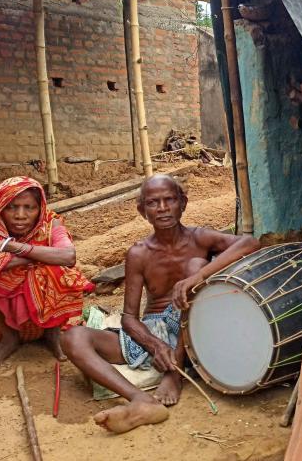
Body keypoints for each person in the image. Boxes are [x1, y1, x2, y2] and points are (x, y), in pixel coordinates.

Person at [61, 174, 260, 433]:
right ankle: (140, 400)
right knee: (73, 337)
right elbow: (129, 318)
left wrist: (199, 275)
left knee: (196, 265)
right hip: (153, 331)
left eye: (170, 200)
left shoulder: (200, 239)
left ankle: (173, 374)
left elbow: (251, 243)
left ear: (183, 203)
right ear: (142, 211)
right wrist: (155, 346)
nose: (163, 208)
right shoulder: (139, 253)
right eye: (154, 203)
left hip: (197, 331)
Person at [0, 176, 92, 370]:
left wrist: (8, 246)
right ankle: (9, 339)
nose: (20, 215)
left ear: (40, 209)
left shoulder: (51, 224)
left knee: (60, 271)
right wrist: (42, 254)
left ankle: (52, 334)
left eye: (29, 207)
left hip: (43, 321)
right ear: (0, 208)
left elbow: (68, 256)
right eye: (12, 207)